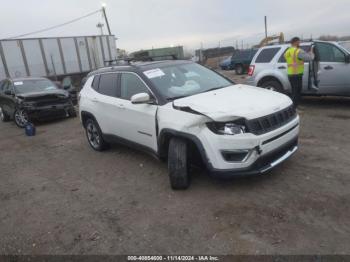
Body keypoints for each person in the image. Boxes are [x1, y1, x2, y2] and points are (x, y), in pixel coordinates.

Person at [284, 37, 314, 108]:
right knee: (296, 92)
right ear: (295, 42)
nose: (299, 43)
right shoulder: (298, 51)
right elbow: (310, 58)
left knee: (295, 92)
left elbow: (286, 57)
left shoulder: (288, 51)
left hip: (291, 74)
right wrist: (311, 52)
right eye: (299, 42)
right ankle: (294, 108)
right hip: (296, 75)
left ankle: (296, 106)